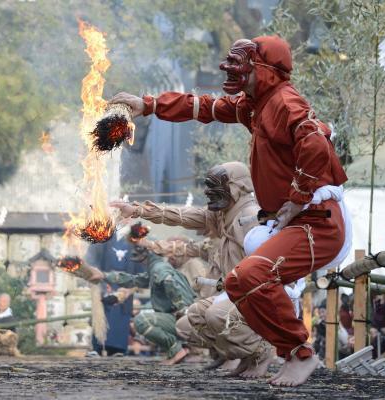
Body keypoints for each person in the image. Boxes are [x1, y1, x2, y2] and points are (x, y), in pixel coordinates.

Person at [110, 35, 351, 386]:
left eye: (244, 64)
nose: (232, 70)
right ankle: (280, 350)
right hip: (295, 224)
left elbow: (315, 140)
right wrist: (147, 105)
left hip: (318, 223)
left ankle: (297, 354)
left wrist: (297, 198)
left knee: (250, 277)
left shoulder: (284, 101)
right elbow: (204, 106)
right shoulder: (255, 105)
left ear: (265, 70)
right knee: (240, 281)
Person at [112, 162, 277, 377]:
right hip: (232, 293)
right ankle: (242, 356)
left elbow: (272, 264)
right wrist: (137, 210)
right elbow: (181, 216)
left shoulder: (252, 217)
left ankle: (261, 353)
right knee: (193, 319)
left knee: (216, 314)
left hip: (256, 295)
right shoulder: (221, 215)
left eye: (215, 186)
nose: (208, 192)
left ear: (237, 186)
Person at [89, 244, 196, 365]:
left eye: (142, 260)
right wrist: (104, 276)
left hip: (186, 318)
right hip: (183, 317)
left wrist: (182, 310)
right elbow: (133, 280)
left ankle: (177, 349)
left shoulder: (159, 268)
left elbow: (169, 282)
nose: (141, 263)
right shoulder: (156, 268)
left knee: (142, 320)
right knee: (147, 319)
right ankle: (178, 350)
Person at [85, 231, 145, 355]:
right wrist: (93, 277)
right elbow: (91, 259)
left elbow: (142, 274)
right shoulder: (104, 235)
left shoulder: (137, 240)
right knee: (102, 312)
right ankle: (97, 347)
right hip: (103, 282)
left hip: (126, 285)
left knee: (121, 316)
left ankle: (119, 349)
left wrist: (130, 290)